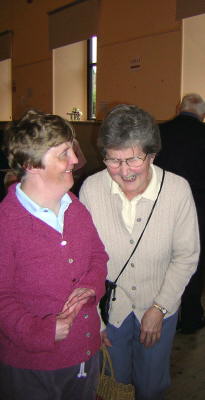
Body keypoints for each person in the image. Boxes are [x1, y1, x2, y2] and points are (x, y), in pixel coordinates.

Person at [79, 104, 200, 400]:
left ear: (152, 154)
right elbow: (82, 263)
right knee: (113, 384)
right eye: (113, 159)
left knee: (151, 385)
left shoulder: (177, 190)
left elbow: (186, 256)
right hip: (109, 310)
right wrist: (94, 317)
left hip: (160, 302)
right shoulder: (91, 190)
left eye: (132, 160)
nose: (123, 171)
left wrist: (159, 308)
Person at [0, 109, 108, 400]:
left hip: (85, 357)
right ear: (31, 164)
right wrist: (40, 331)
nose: (75, 159)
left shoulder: (75, 207)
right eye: (63, 153)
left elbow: (99, 256)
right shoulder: (6, 223)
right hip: (32, 369)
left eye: (71, 149)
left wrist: (91, 286)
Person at [155, 93, 205, 334]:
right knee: (193, 260)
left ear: (179, 108)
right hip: (199, 209)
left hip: (162, 207)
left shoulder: (159, 132)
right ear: (202, 114)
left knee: (162, 259)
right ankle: (192, 317)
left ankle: (160, 311)